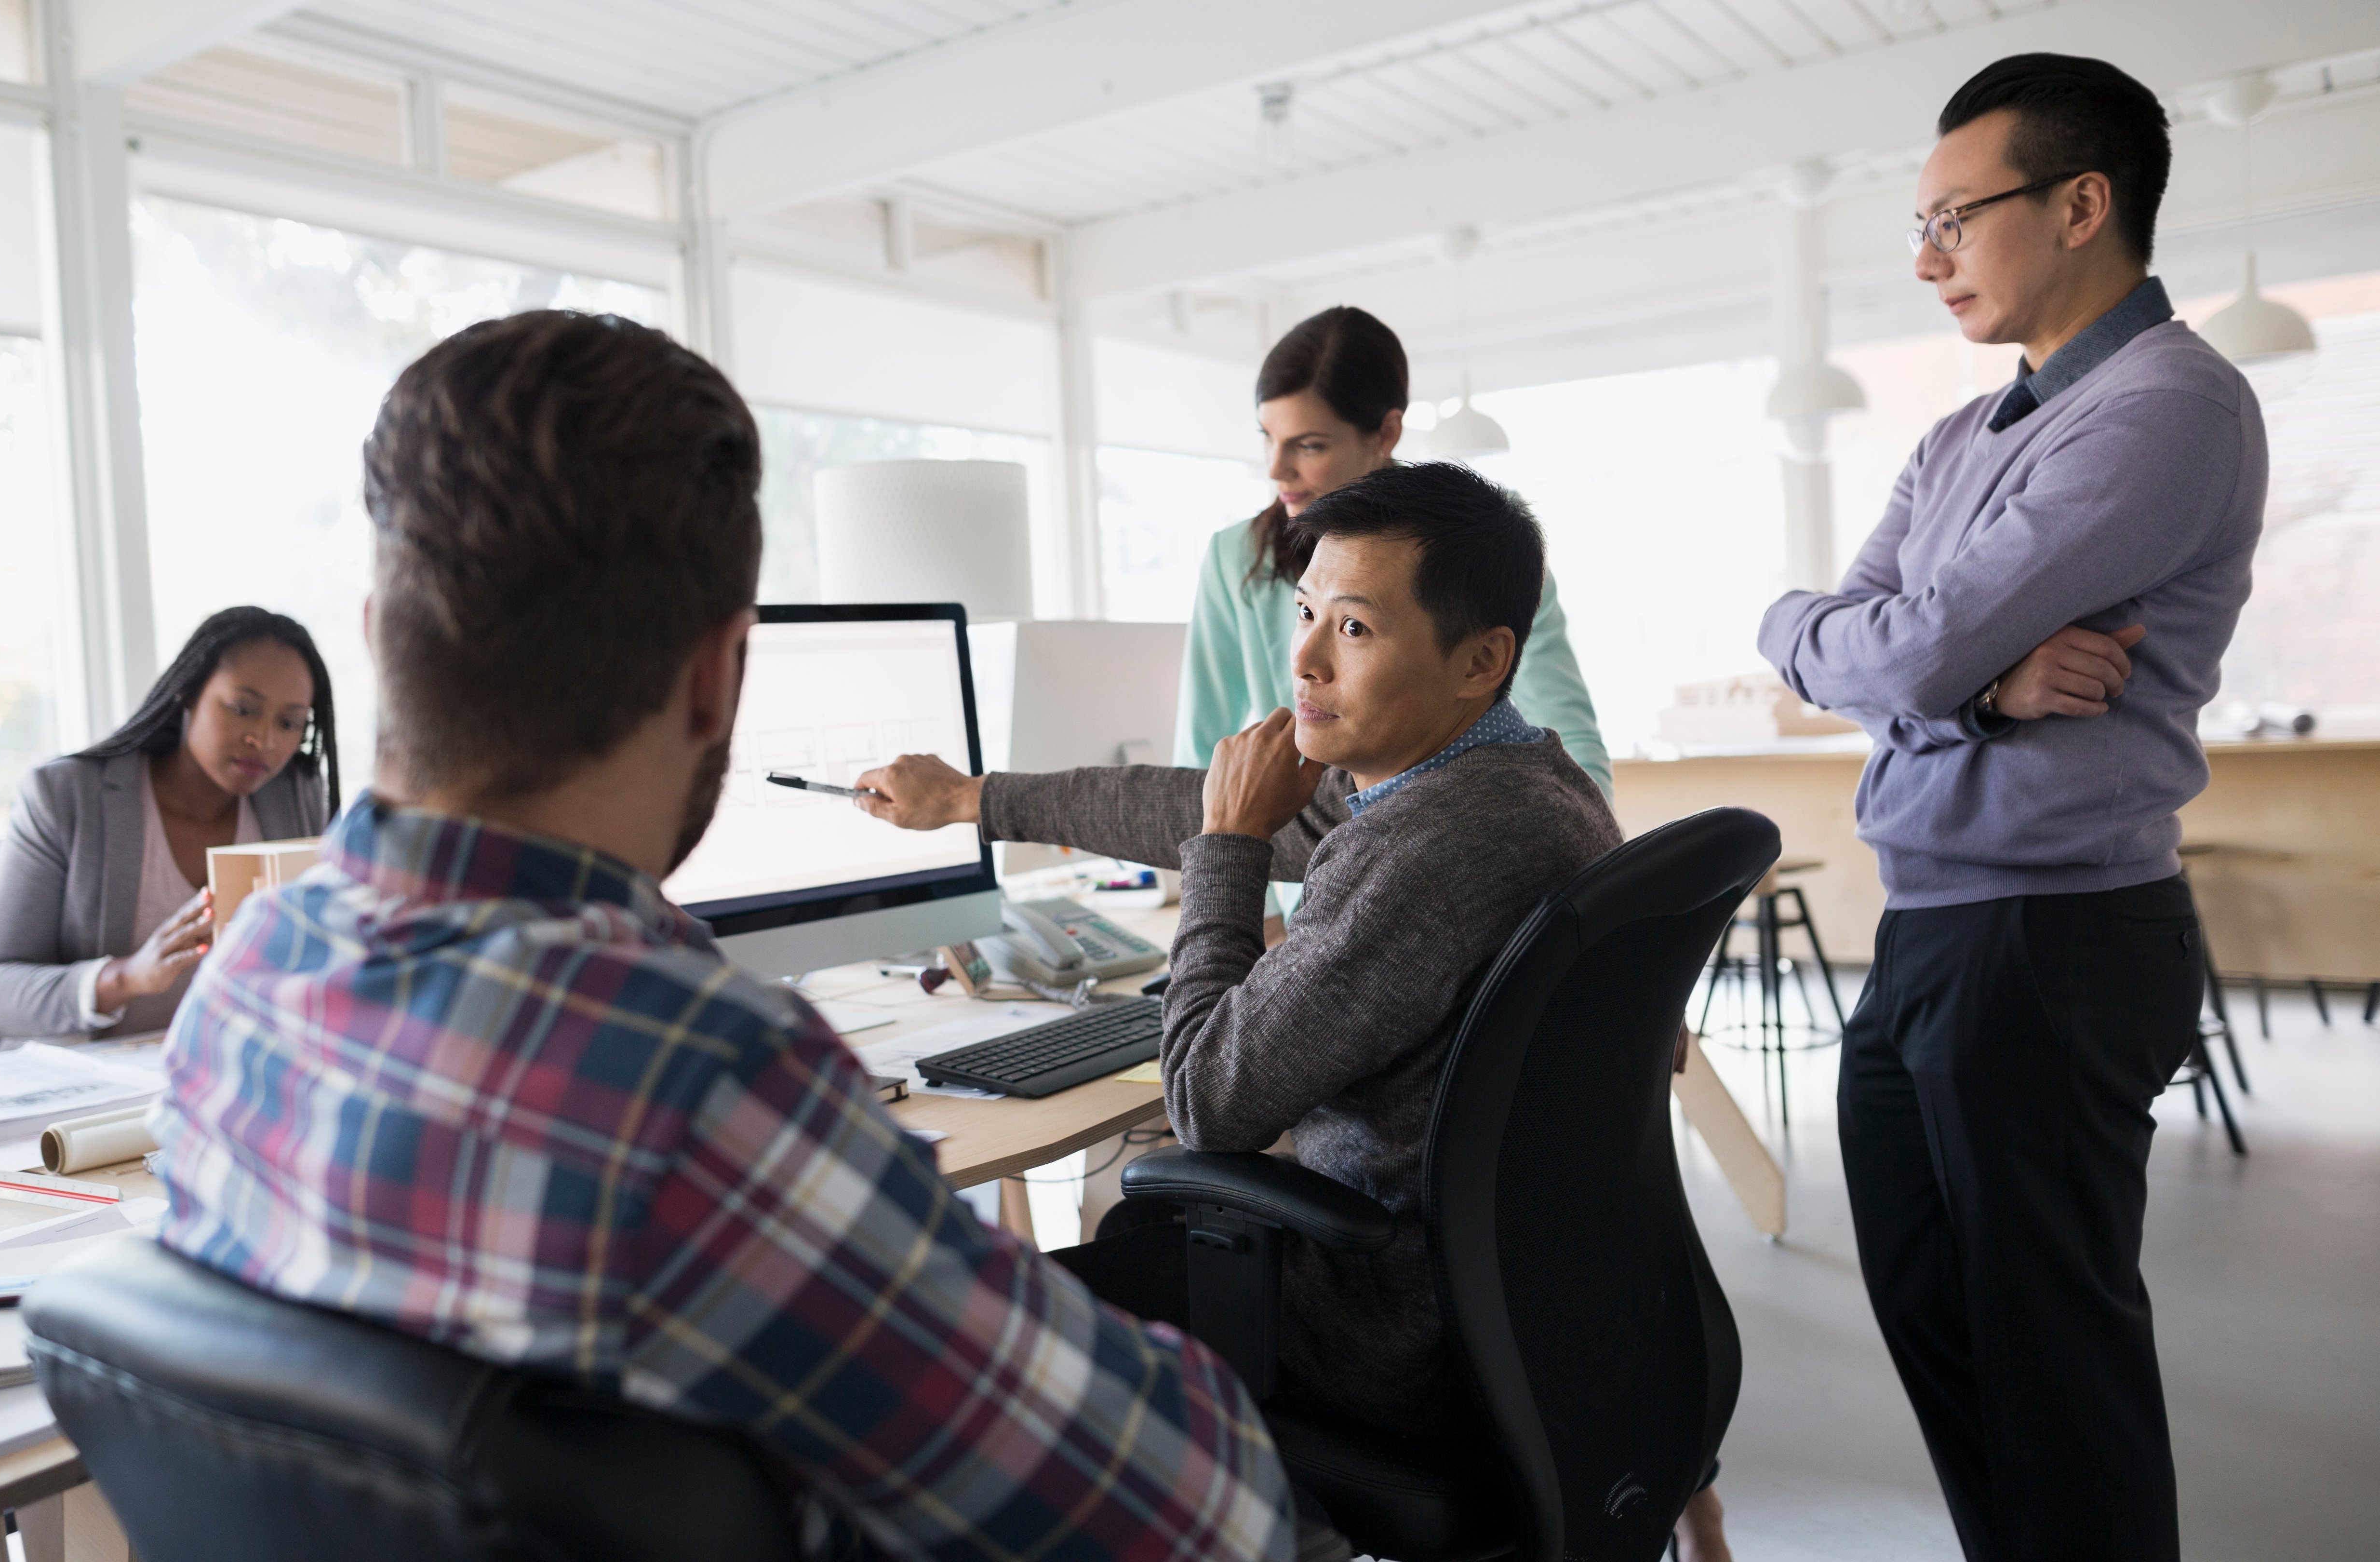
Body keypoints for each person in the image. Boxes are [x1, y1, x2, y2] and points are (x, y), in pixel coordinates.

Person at [147, 311, 1296, 1561]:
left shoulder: (243, 982)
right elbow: (1206, 1516)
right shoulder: (695, 1080)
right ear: (720, 677)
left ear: (375, 633)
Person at [863, 463, 1734, 1562]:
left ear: (1480, 657)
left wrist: (1225, 857)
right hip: (1528, 1308)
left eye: (1354, 627)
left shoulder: (1428, 847)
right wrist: (973, 798)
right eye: (1304, 612)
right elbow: (1204, 795)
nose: (1305, 659)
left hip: (1379, 1331)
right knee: (1137, 1233)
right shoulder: (1513, 774)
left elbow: (1206, 1100)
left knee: (980, 1336)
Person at [1757, 54, 2265, 1562]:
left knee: (2053, 1360)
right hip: (1926, 930)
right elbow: (1826, 638)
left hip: (2056, 937)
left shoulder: (2169, 406)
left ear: (2081, 205)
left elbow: (1888, 644)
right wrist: (1973, 688)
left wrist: (1904, 657)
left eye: (1953, 220)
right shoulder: (1960, 436)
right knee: (1938, 1322)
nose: (1928, 261)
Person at [1177, 305, 1612, 799]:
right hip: (1298, 863)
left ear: (1386, 434)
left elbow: (1566, 728)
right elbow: (1200, 753)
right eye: (1268, 439)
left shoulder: (1479, 540)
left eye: (1310, 446)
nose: (1276, 469)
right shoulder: (1236, 555)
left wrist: (1588, 857)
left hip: (1446, 844)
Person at [0, 606, 336, 1045]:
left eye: (290, 722)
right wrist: (126, 977)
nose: (265, 739)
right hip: (84, 1088)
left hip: (226, 1075)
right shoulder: (66, 796)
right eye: (242, 708)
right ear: (188, 693)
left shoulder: (297, 798)